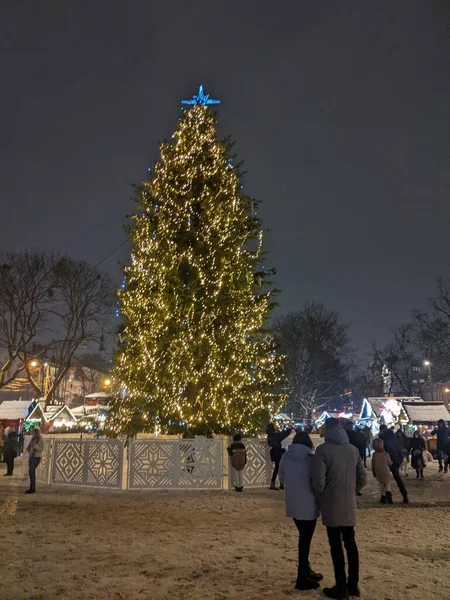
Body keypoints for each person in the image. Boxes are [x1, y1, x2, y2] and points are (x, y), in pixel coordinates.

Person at [312, 418, 366, 600]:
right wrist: (351, 491)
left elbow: (318, 481)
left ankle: (341, 586)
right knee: (351, 544)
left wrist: (323, 497)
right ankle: (353, 585)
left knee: (336, 546)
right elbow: (362, 478)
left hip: (331, 504)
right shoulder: (353, 450)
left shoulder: (323, 451)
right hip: (348, 504)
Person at [279, 432, 323, 591]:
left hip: (293, 504)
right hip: (309, 504)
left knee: (304, 538)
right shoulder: (312, 459)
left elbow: (282, 479)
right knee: (305, 541)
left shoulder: (286, 457)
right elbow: (317, 481)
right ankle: (301, 577)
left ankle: (306, 570)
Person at [379, 424, 409, 504]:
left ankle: (385, 496)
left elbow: (382, 449)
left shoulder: (382, 437)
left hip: (387, 459)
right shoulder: (392, 435)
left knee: (384, 479)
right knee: (397, 478)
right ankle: (405, 495)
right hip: (396, 458)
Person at [266, 423, 291, 490]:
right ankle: (281, 483)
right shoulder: (276, 435)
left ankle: (273, 483)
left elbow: (270, 444)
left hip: (274, 453)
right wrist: (288, 428)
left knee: (277, 468)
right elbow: (286, 433)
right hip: (279, 453)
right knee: (281, 468)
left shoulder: (269, 436)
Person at [371, 437, 393, 504]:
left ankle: (383, 497)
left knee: (381, 484)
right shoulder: (385, 454)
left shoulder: (374, 454)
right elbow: (389, 463)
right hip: (385, 470)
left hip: (378, 471)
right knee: (388, 483)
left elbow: (373, 464)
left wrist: (373, 471)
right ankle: (388, 493)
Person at [26, 427, 44, 494]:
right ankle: (31, 486)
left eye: (33, 433)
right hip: (31, 456)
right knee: (31, 472)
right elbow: (29, 447)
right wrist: (29, 448)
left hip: (36, 457)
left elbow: (41, 449)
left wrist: (34, 445)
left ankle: (32, 487)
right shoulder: (32, 439)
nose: (32, 434)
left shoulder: (41, 439)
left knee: (31, 471)